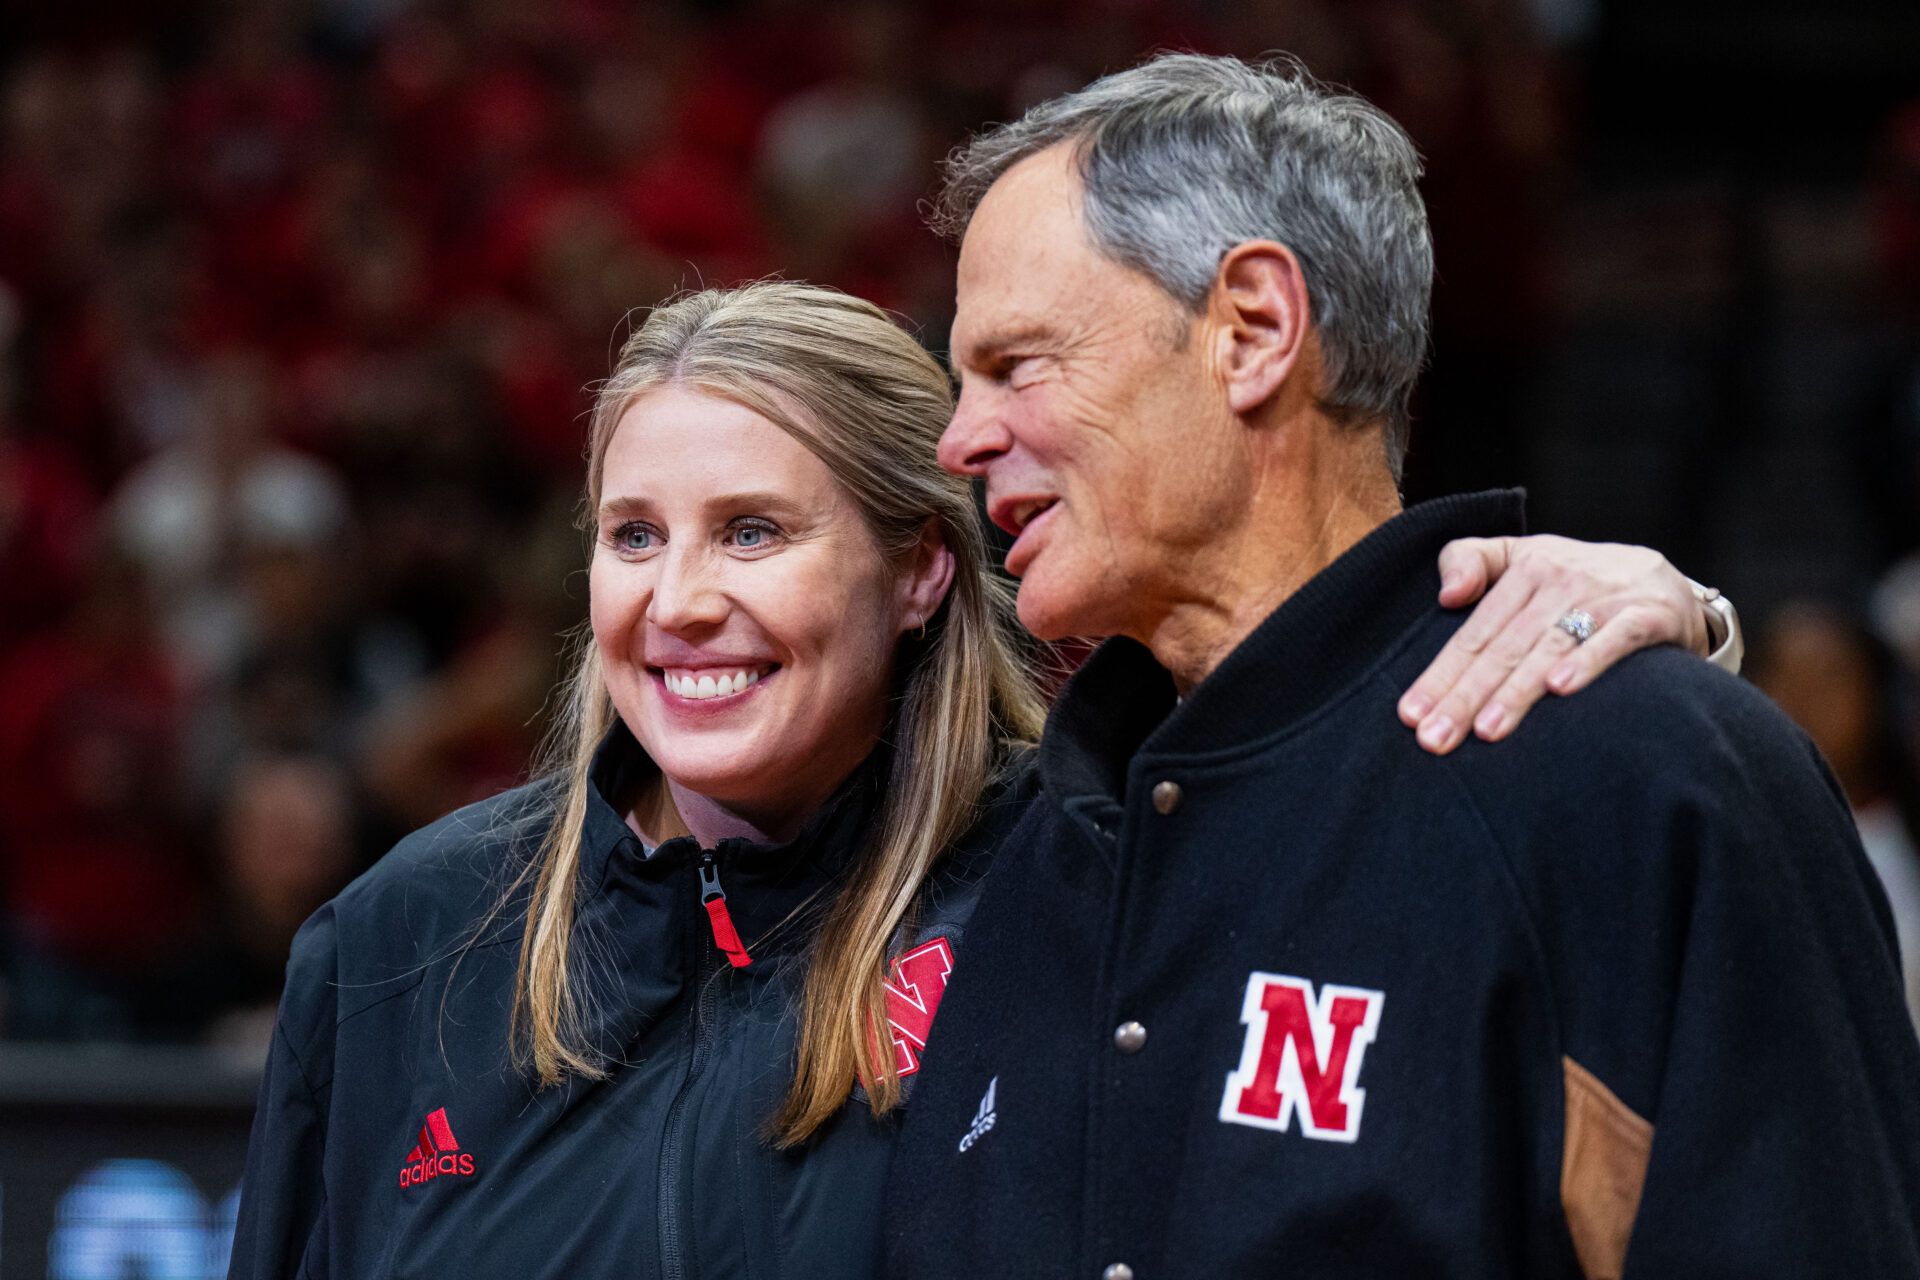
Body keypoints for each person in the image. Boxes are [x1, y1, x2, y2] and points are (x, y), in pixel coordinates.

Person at [226, 280, 1729, 1279]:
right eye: (635, 535)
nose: (676, 599)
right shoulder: (401, 944)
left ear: (920, 576)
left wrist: (1657, 618)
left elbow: (1392, 805)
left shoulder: (1090, 879)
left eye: (753, 532)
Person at [887, 54, 1920, 1279]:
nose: (961, 437)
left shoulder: (1648, 778)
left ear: (1254, 330)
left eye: (1016, 365)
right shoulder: (1021, 855)